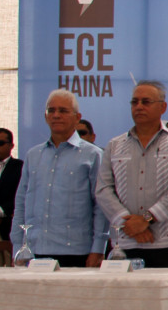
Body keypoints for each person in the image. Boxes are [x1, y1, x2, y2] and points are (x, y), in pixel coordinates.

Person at [95, 80, 168, 267]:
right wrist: (129, 223)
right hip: (125, 242)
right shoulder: (114, 145)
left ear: (163, 107)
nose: (139, 107)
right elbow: (103, 189)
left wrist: (147, 219)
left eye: (146, 102)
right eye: (135, 102)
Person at [10, 89, 107, 266]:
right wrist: (17, 246)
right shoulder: (33, 155)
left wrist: (98, 249)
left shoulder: (93, 155)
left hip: (77, 252)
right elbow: (21, 203)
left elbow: (101, 206)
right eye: (51, 111)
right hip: (34, 250)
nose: (56, 115)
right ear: (45, 116)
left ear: (77, 117)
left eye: (63, 111)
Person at [0, 127, 23, 266]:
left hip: (9, 230)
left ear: (11, 145)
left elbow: (21, 196)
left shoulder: (20, 167)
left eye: (0, 143)